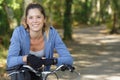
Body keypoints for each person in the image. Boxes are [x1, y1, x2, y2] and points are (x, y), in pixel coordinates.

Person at [7, 2, 73, 80]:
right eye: (31, 17)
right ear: (26, 21)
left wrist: (52, 61)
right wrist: (27, 58)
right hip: (21, 74)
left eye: (38, 17)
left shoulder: (52, 33)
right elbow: (10, 61)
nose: (35, 21)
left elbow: (69, 59)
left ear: (44, 19)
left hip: (41, 74)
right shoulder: (19, 33)